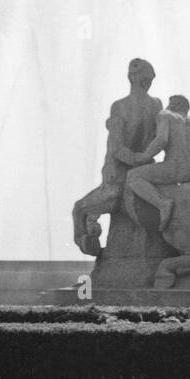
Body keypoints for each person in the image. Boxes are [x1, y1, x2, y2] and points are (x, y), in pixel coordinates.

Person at [71, 58, 161, 254]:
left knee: (79, 209)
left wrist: (135, 158)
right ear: (148, 79)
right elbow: (160, 137)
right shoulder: (156, 105)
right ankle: (94, 228)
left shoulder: (120, 106)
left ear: (130, 77)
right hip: (147, 174)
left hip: (119, 179)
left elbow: (116, 149)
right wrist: (146, 158)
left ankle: (86, 242)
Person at [124, 94, 190, 232]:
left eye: (169, 103)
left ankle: (163, 204)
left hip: (174, 169)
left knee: (133, 176)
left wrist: (144, 156)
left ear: (174, 104)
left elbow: (162, 140)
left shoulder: (166, 115)